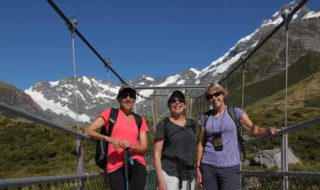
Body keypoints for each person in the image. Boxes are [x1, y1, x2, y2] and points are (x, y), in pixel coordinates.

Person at [195, 83, 278, 190]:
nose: (214, 98)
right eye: (210, 97)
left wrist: (268, 130)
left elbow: (254, 130)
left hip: (230, 167)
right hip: (208, 165)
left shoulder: (236, 112)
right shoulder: (205, 117)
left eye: (216, 94)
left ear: (223, 94)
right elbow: (201, 143)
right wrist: (198, 167)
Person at [85, 85, 149, 190]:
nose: (128, 98)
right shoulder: (110, 113)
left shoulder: (140, 120)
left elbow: (144, 147)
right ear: (119, 99)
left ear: (134, 99)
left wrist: (131, 146)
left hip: (136, 161)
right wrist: (108, 138)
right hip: (114, 163)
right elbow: (89, 130)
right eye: (124, 95)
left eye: (131, 95)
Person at [153, 90, 197, 190]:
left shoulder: (192, 124)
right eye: (173, 101)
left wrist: (193, 175)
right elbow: (156, 155)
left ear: (185, 105)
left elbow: (191, 151)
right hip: (169, 175)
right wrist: (161, 181)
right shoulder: (163, 125)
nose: (177, 102)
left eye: (180, 100)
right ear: (169, 105)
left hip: (189, 176)